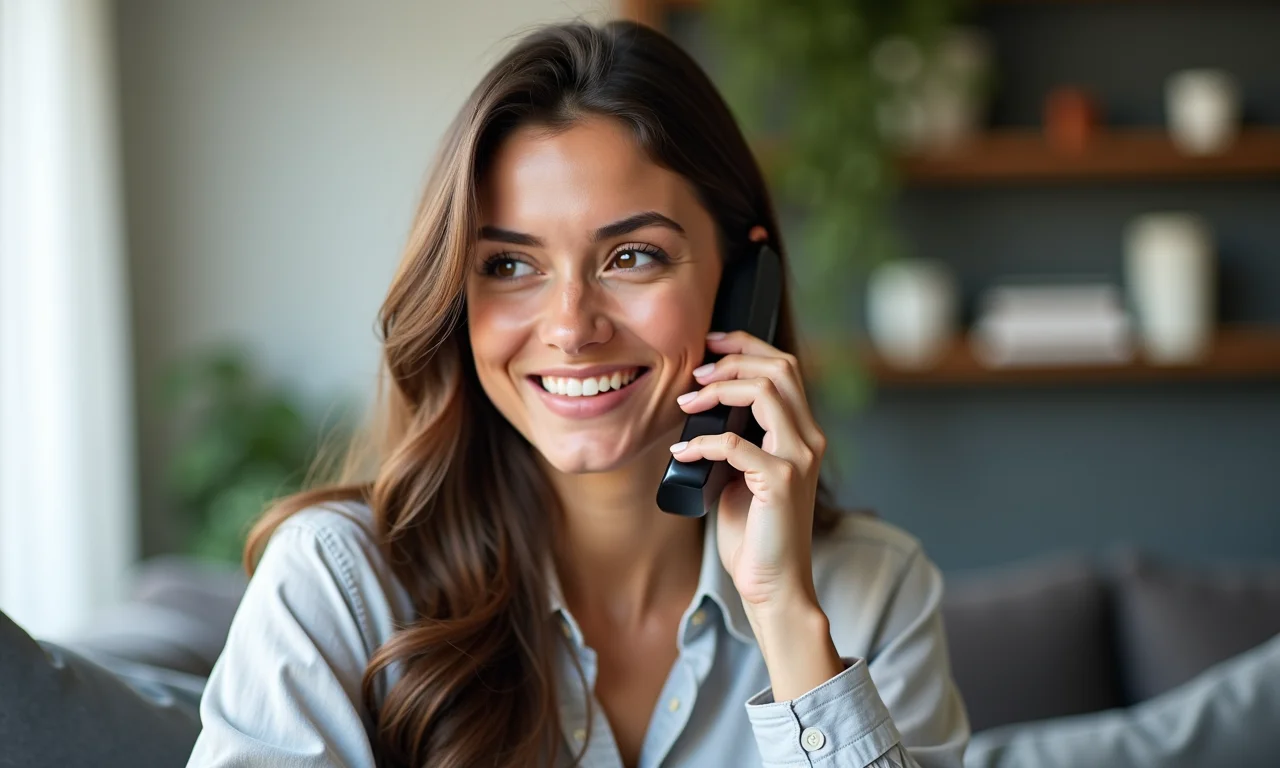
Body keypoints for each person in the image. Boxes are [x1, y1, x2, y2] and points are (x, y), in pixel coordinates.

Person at [186, 19, 969, 768]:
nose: (570, 327)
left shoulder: (874, 592)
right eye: (509, 266)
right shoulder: (338, 586)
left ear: (742, 284)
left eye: (632, 256)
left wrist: (785, 617)